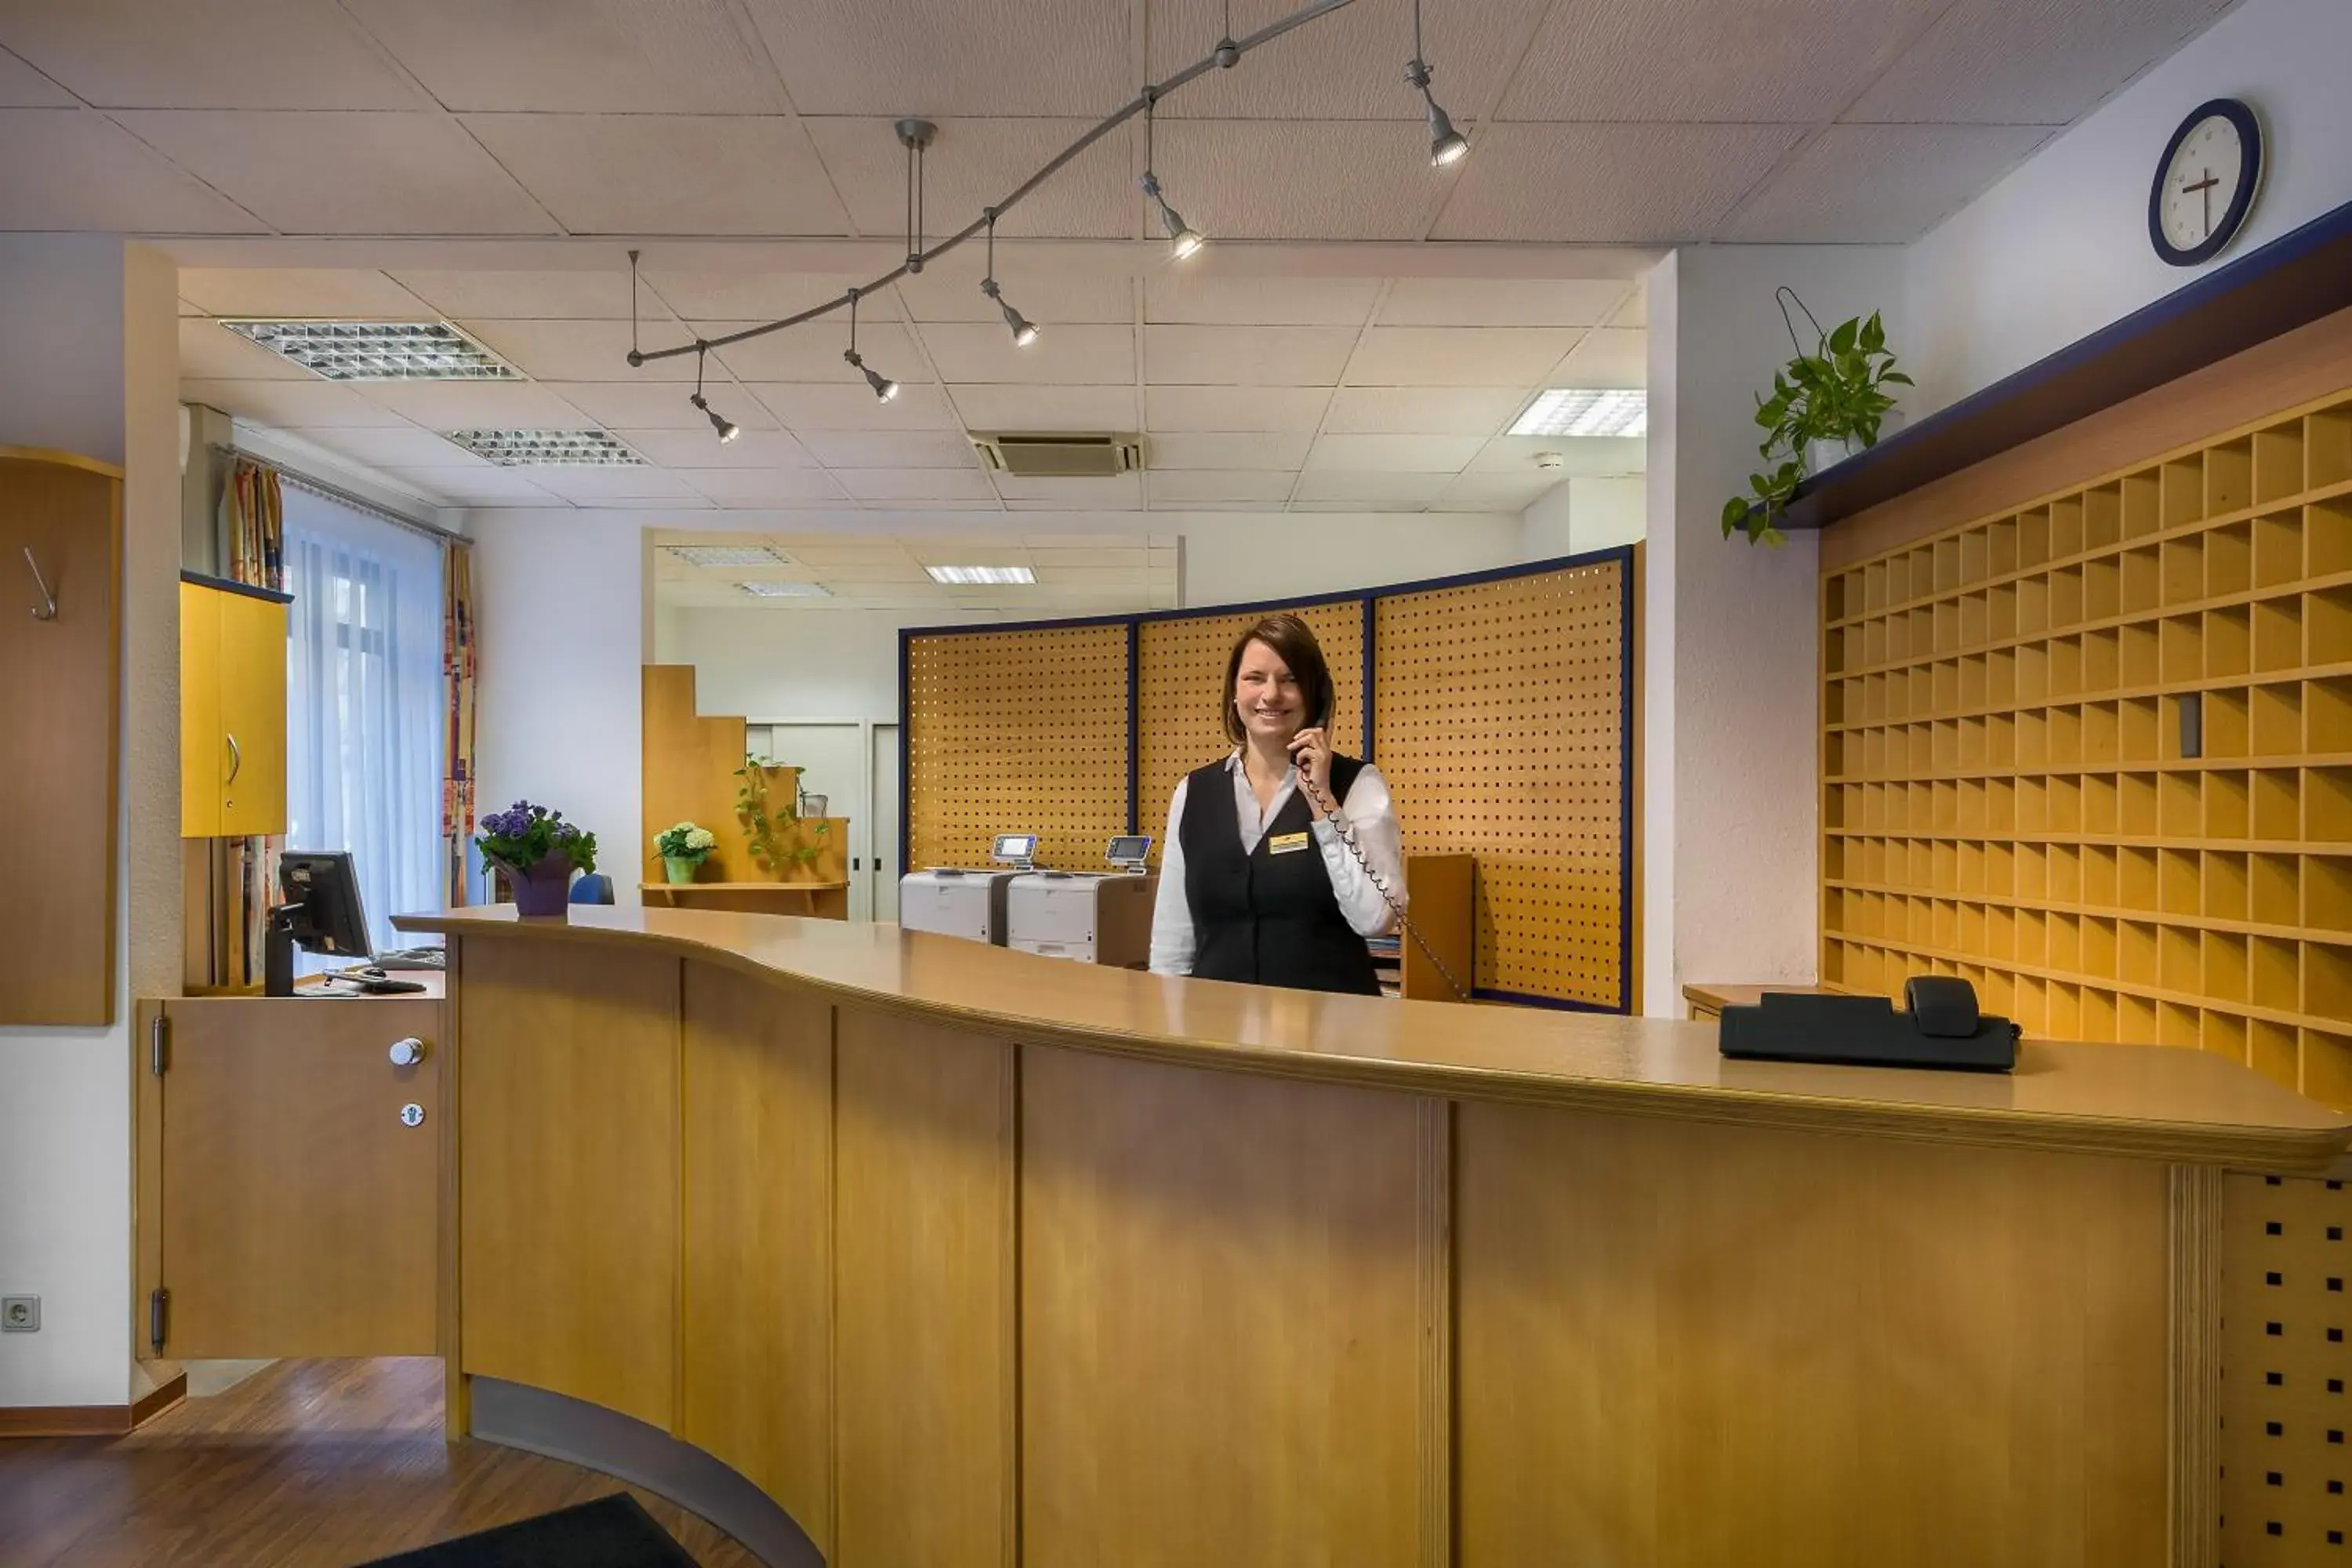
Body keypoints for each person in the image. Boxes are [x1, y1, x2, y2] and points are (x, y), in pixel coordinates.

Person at [1148, 613, 1405, 995]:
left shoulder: (1357, 785)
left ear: (1316, 695)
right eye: (1255, 678)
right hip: (1216, 1022)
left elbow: (1376, 918)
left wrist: (1324, 804)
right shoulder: (1193, 792)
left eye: (1290, 679)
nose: (1271, 695)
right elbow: (1173, 942)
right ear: (1234, 692)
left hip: (1332, 1024)